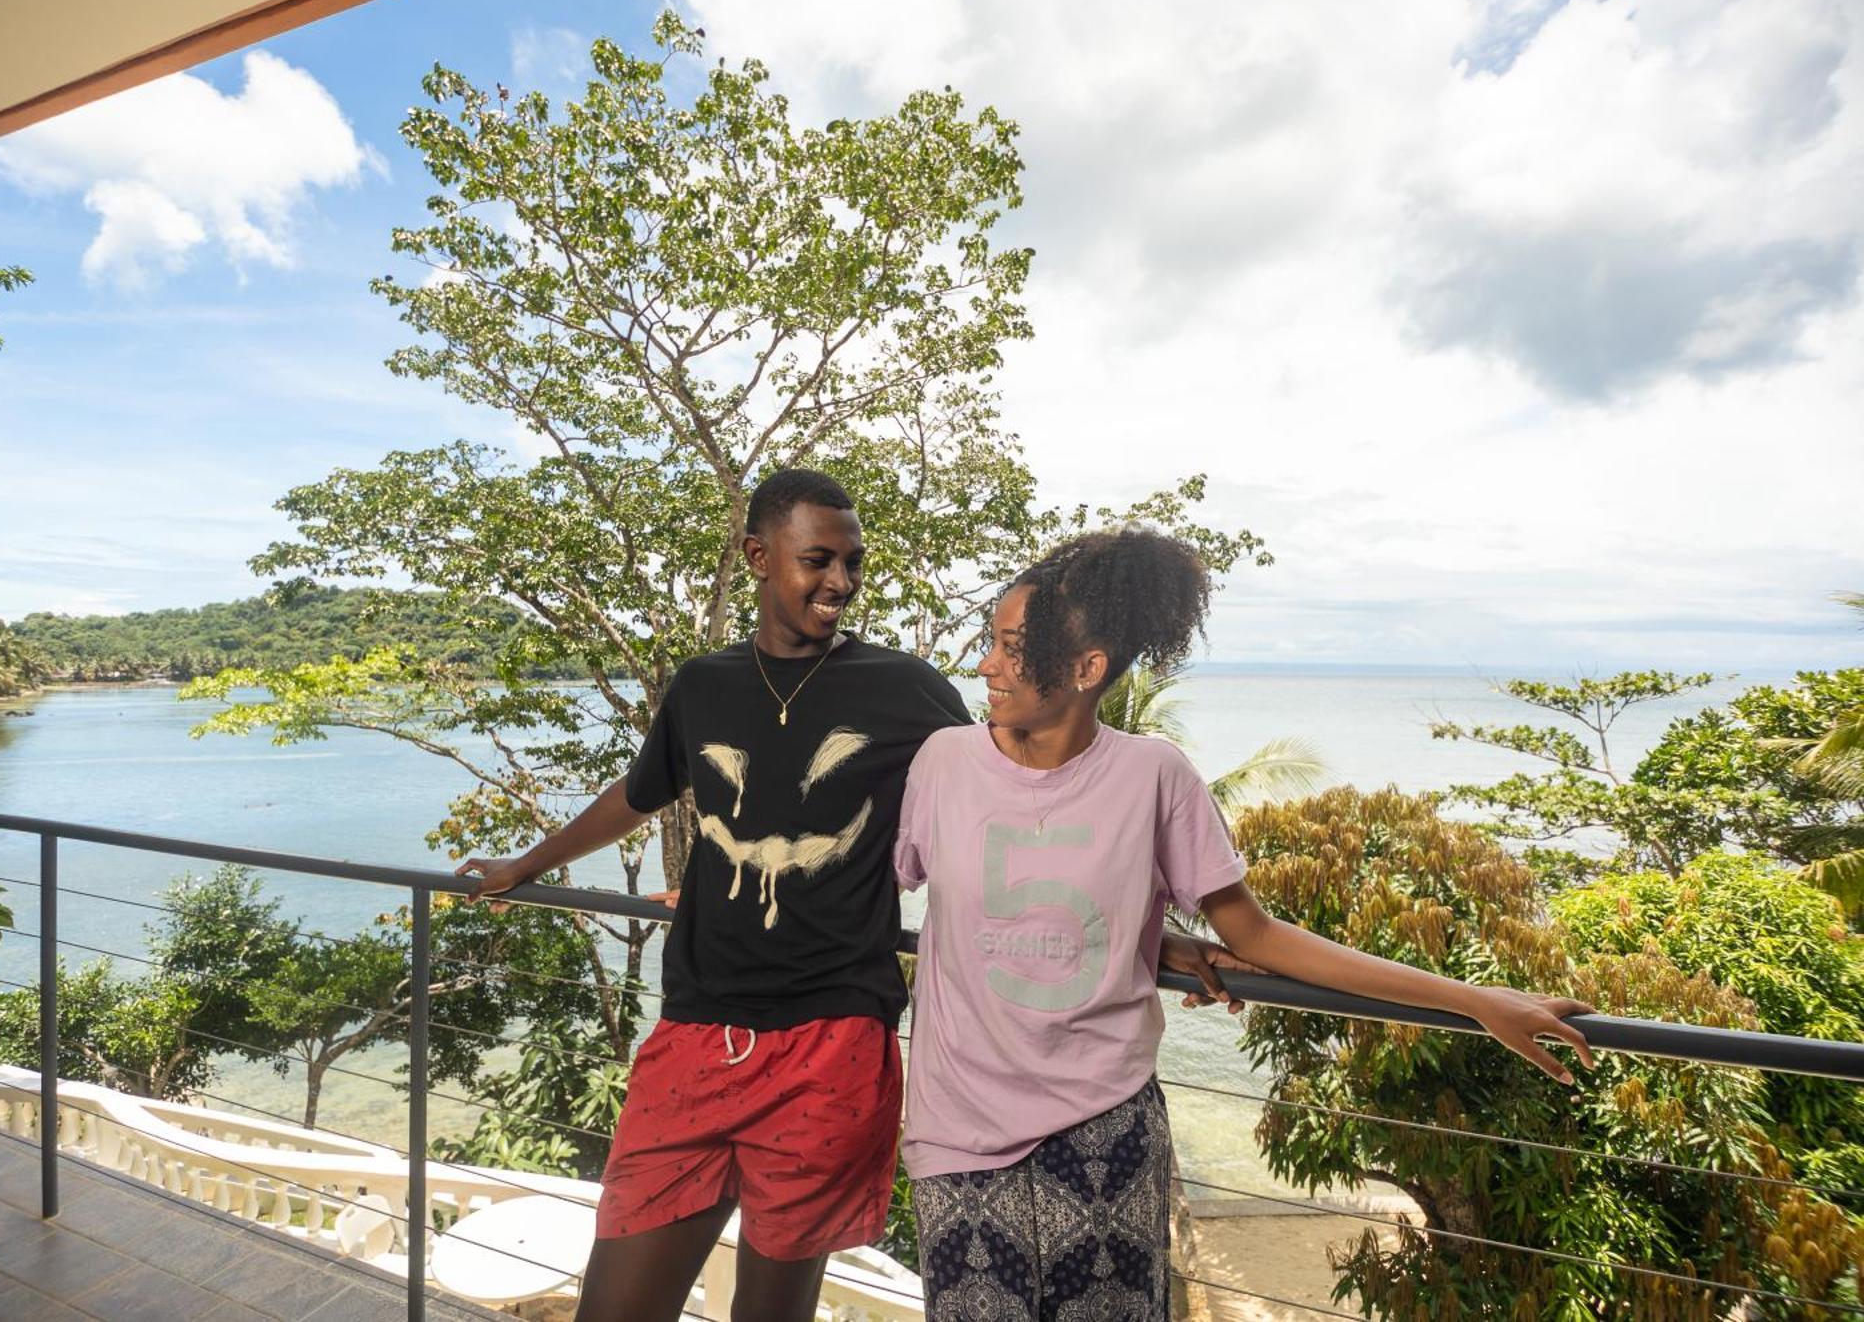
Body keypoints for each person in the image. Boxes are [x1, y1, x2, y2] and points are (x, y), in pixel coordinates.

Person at [893, 527, 1595, 1322]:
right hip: (958, 1141)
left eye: (1012, 647)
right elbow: (902, 892)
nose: (986, 663)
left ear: (1088, 669)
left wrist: (1472, 999)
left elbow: (1256, 936)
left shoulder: (1155, 774)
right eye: (992, 640)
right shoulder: (942, 762)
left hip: (1104, 1136)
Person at [460, 468, 970, 1322]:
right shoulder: (702, 684)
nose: (840, 582)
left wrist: (1128, 922)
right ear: (757, 556)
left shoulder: (905, 687)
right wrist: (529, 864)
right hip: (697, 1031)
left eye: (853, 562)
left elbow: (1002, 803)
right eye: (818, 559)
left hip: (830, 1039)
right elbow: (639, 793)